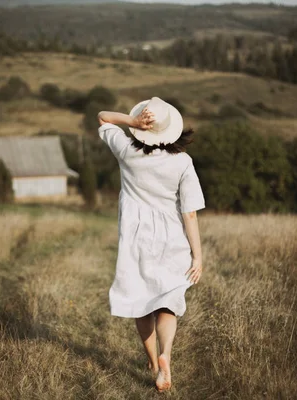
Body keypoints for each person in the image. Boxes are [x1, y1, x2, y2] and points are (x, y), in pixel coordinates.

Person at [97, 97, 205, 393]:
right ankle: (166, 354)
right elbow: (190, 212)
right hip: (172, 239)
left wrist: (130, 122)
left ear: (143, 127)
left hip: (135, 239)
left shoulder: (127, 152)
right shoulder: (183, 162)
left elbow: (103, 116)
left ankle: (155, 367)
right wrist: (197, 256)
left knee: (142, 303)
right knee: (168, 301)